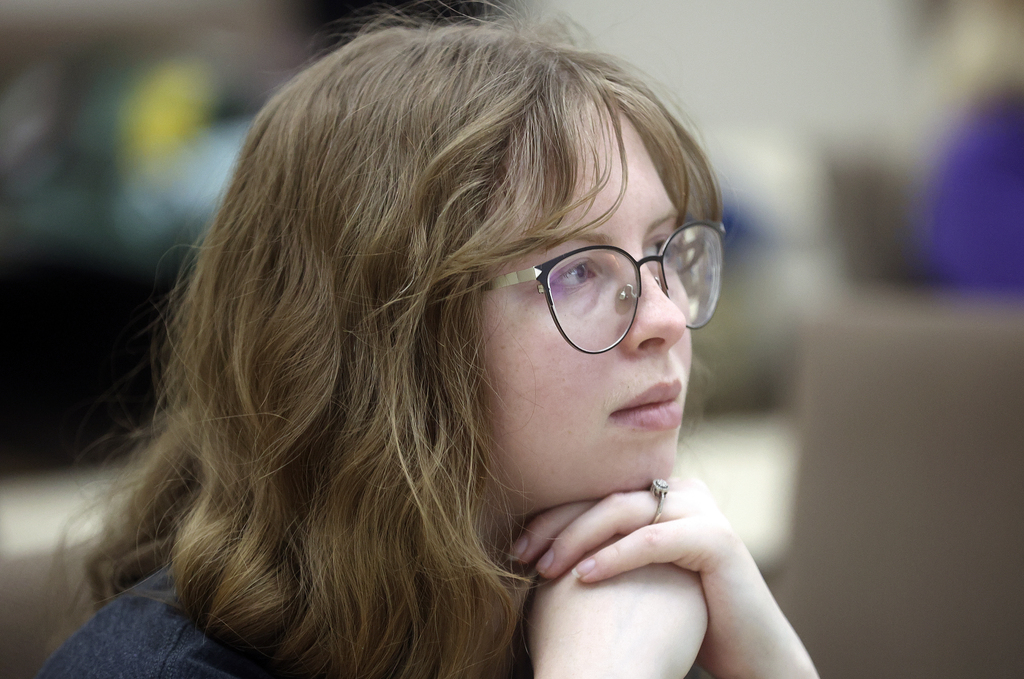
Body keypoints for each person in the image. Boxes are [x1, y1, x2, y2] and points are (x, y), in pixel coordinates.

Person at [37, 10, 818, 679]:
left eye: (662, 248)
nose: (668, 318)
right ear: (384, 340)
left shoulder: (633, 600)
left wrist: (773, 660)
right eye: (579, 270)